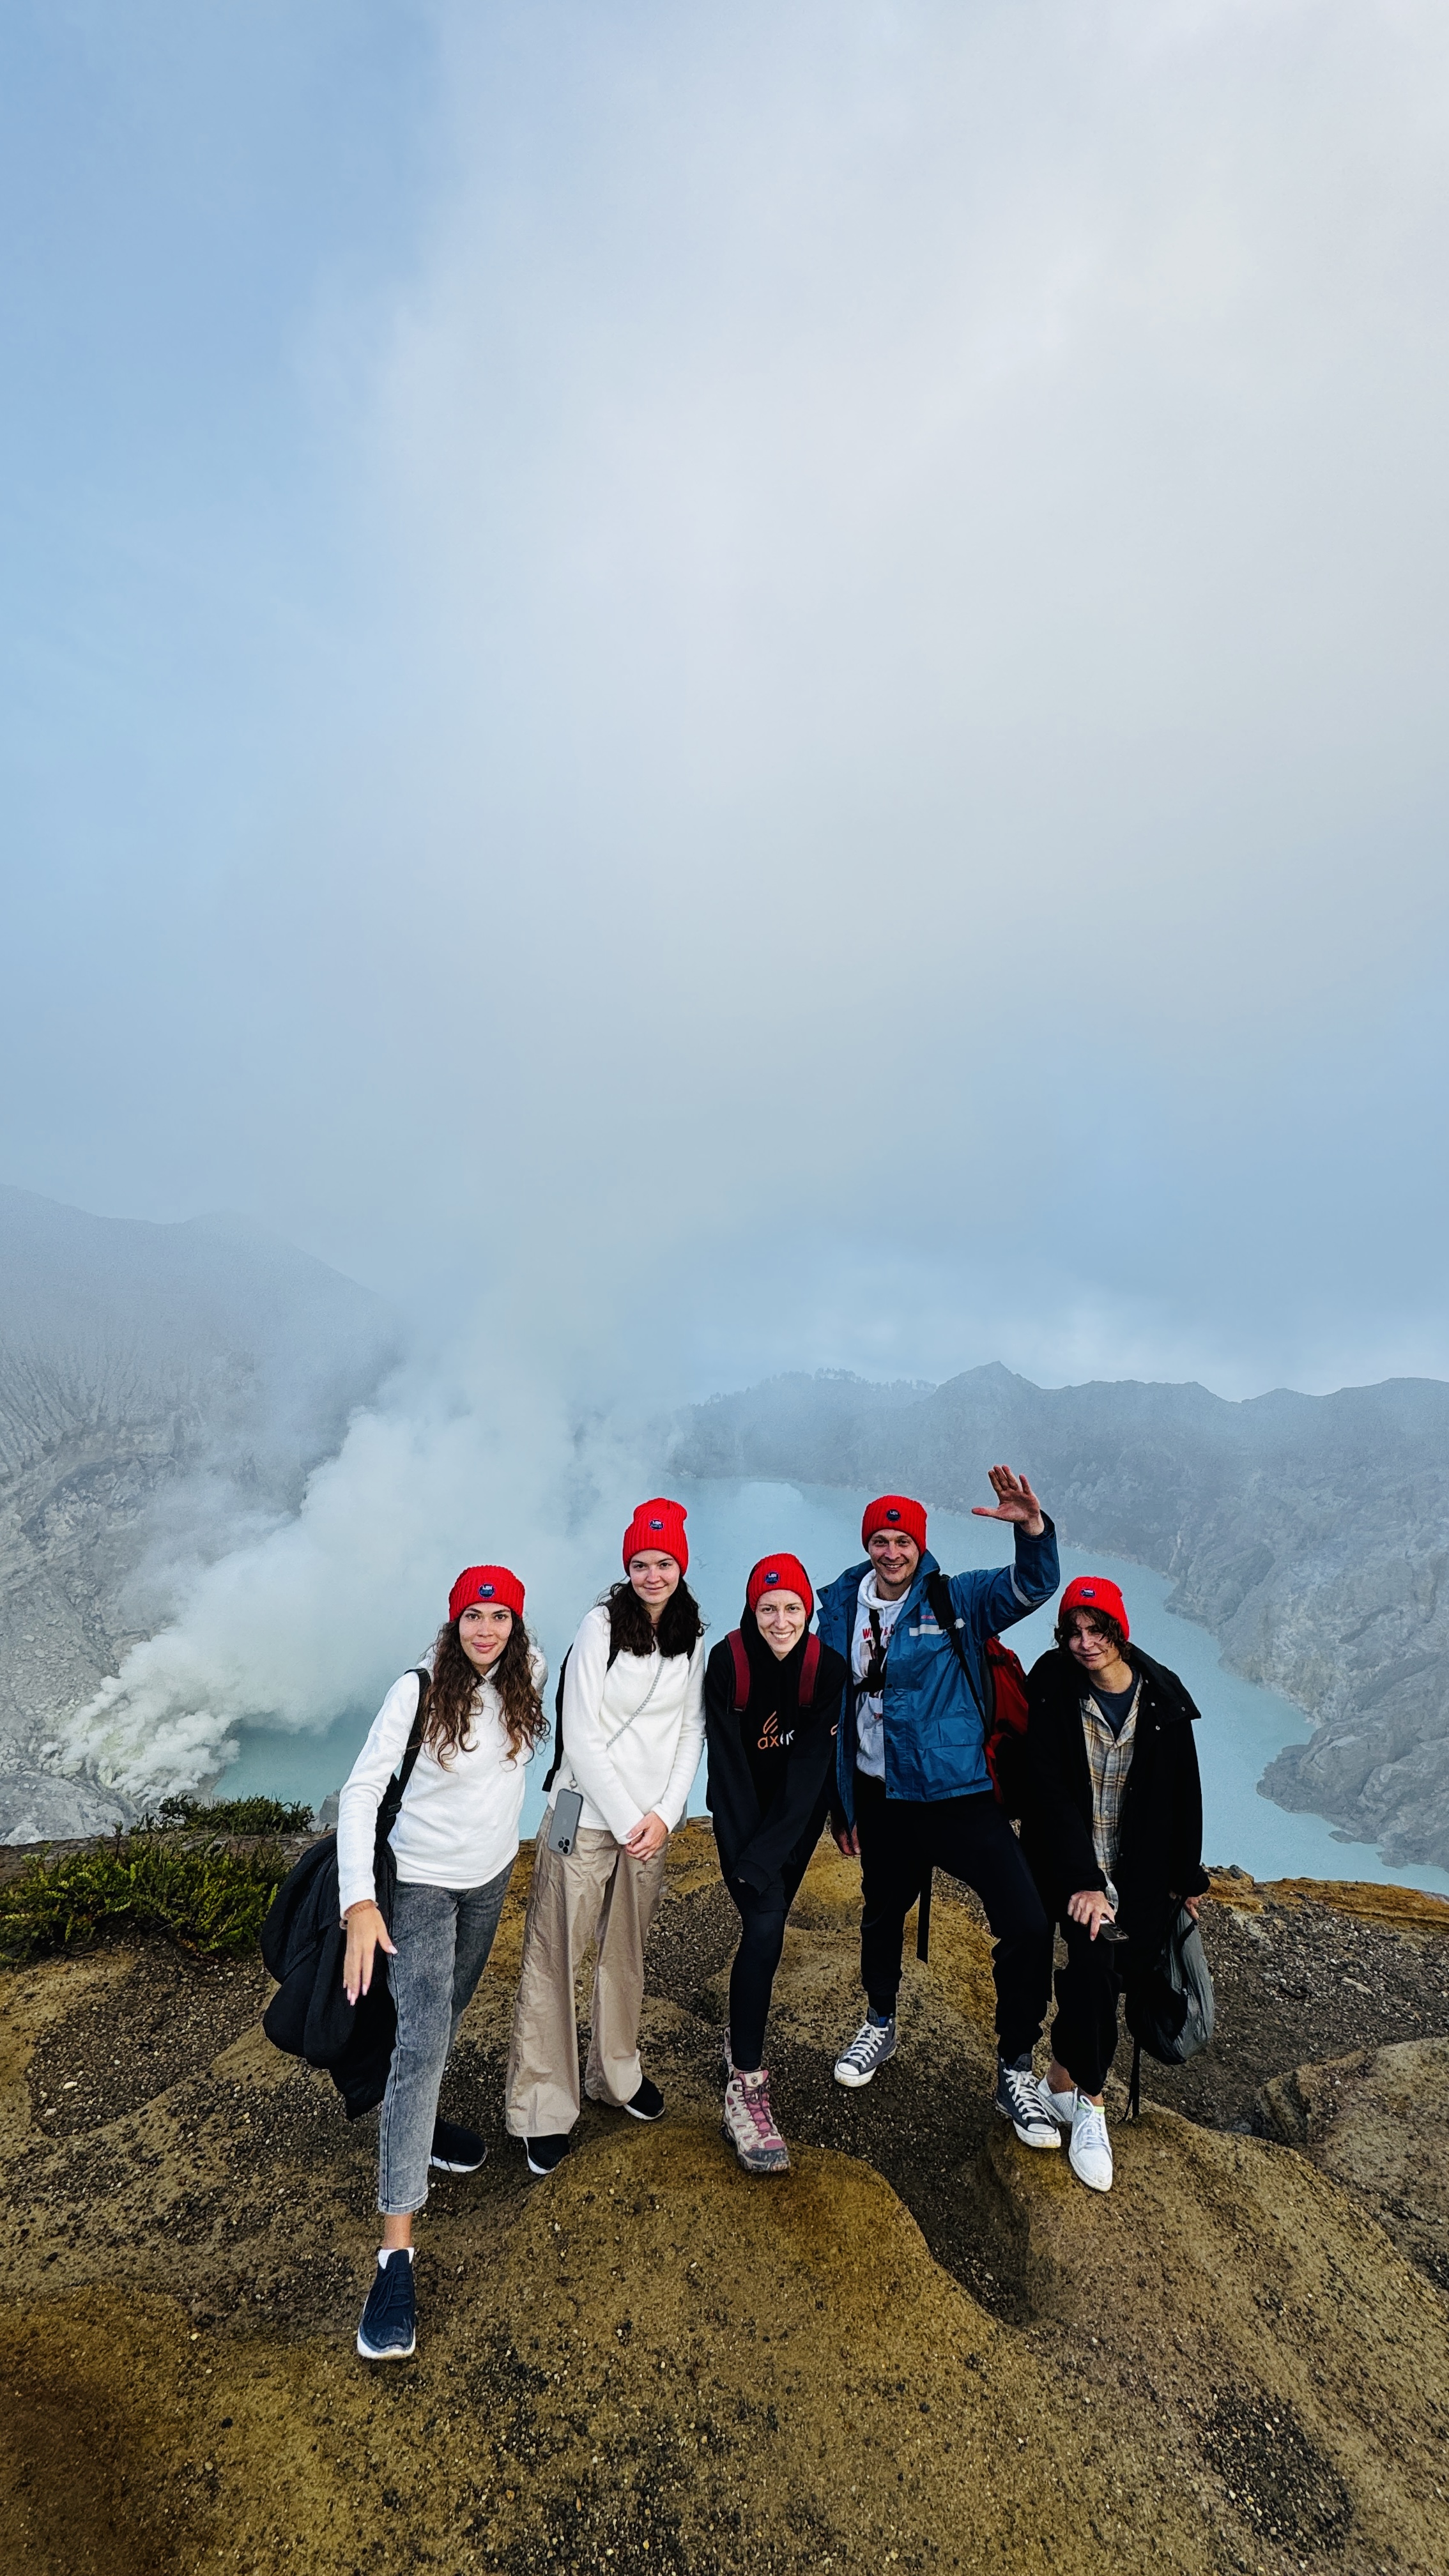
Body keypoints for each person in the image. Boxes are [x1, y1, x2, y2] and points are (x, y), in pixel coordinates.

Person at [337, 1563, 548, 2362]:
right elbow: (362, 1792)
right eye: (473, 1616)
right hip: (420, 1887)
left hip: (489, 1880)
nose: (485, 1629)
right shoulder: (419, 1690)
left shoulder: (527, 1673)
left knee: (449, 2013)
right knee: (423, 2043)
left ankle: (414, 2125)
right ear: (453, 1621)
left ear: (517, 1625)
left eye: (499, 1616)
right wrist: (361, 1902)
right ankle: (395, 2256)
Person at [818, 1473, 1062, 2149]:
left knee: (1027, 1922)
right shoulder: (838, 1604)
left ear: (919, 1546)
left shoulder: (957, 1597)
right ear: (867, 1543)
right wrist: (842, 1806)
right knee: (880, 1913)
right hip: (880, 1794)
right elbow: (833, 1706)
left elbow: (1033, 1586)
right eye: (880, 1540)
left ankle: (1015, 2066)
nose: (891, 1552)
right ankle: (880, 2021)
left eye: (902, 1541)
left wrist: (1032, 1530)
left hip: (956, 1794)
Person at [505, 1496, 706, 2177]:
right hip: (579, 1813)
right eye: (642, 1564)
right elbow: (582, 1735)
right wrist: (629, 1819)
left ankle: (615, 2074)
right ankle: (542, 2105)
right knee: (553, 1955)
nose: (653, 1575)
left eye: (665, 1562)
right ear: (627, 1567)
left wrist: (666, 1815)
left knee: (625, 1951)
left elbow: (689, 1731)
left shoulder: (691, 1634)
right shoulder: (601, 1627)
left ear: (681, 1565)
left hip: (647, 1824)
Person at [1023, 1574, 1210, 2193]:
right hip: (1070, 1867)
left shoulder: (1162, 1701)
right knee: (1096, 1963)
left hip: (1140, 1871)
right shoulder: (1052, 1686)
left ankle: (1056, 2082)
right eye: (1074, 1631)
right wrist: (1083, 1882)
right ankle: (1092, 2108)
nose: (1084, 1642)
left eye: (1096, 1629)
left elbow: (1185, 1794)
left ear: (1118, 1631)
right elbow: (1044, 1790)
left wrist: (1186, 1881)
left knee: (1116, 1972)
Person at [703, 1552, 847, 2174]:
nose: (781, 1621)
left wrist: (776, 1853)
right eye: (769, 1609)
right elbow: (728, 1771)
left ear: (807, 1611)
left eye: (792, 1608)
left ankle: (740, 2036)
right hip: (741, 1825)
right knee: (763, 1932)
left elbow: (810, 1772)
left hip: (793, 1826)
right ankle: (746, 2085)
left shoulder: (826, 1670)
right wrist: (748, 1861)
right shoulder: (729, 1663)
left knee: (767, 1933)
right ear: (751, 1610)